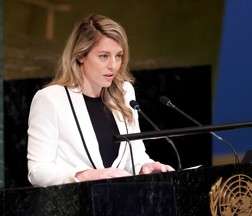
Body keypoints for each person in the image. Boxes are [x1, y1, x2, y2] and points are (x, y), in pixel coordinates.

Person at [27, 14, 174, 187]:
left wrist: (145, 167)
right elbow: (37, 172)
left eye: (118, 56)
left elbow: (135, 155)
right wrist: (85, 175)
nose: (113, 65)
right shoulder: (50, 99)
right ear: (81, 55)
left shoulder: (124, 92)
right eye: (104, 56)